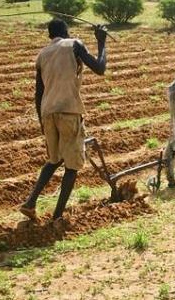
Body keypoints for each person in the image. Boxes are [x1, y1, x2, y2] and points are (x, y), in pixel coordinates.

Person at [20, 19, 107, 221]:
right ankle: (57, 216)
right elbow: (100, 68)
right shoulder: (74, 44)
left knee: (54, 158)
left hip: (47, 113)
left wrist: (43, 122)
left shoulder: (42, 55)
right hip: (69, 111)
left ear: (50, 35)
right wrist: (101, 42)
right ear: (66, 32)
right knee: (72, 166)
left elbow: (38, 93)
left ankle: (30, 203)